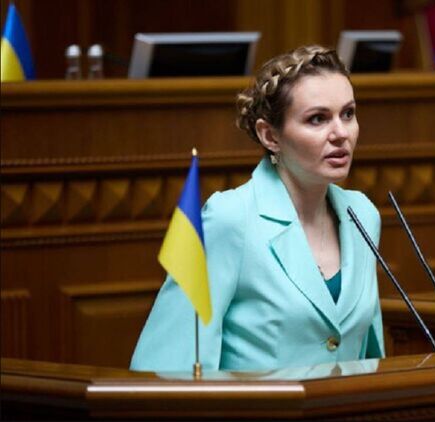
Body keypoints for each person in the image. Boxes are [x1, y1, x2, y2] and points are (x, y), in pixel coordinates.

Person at [130, 45, 384, 371]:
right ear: (270, 136)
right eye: (318, 119)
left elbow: (369, 357)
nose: (340, 133)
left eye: (347, 114)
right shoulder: (231, 219)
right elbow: (167, 365)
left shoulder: (362, 215)